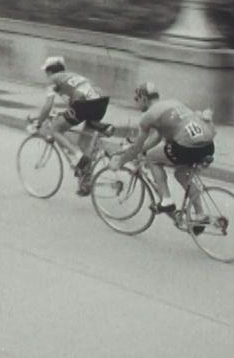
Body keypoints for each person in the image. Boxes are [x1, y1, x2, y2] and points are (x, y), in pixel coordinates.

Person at [108, 82, 216, 235]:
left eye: (137, 100)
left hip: (187, 146)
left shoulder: (148, 116)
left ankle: (166, 200)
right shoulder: (173, 103)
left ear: (144, 98)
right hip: (207, 145)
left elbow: (138, 147)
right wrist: (141, 149)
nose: (137, 104)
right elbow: (158, 137)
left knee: (153, 158)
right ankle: (200, 214)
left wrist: (121, 161)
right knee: (181, 173)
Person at [30, 56, 114, 195]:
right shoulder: (71, 77)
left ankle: (78, 156)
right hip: (100, 103)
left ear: (50, 72)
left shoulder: (53, 79)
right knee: (84, 146)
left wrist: (39, 123)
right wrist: (61, 115)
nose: (46, 75)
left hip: (85, 105)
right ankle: (85, 183)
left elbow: (48, 105)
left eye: (46, 72)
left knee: (55, 129)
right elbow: (72, 105)